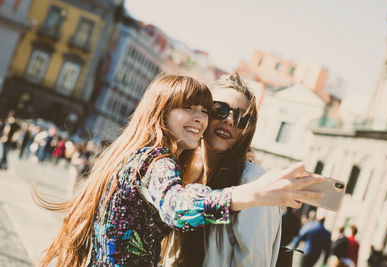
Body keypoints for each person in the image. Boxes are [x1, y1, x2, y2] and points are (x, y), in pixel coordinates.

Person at [37, 74, 323, 267]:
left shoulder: (142, 155)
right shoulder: (155, 161)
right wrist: (250, 194)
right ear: (162, 111)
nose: (202, 118)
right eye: (218, 109)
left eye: (243, 117)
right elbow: (177, 206)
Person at [166, 73, 320, 267]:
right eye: (219, 109)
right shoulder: (180, 171)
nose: (230, 120)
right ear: (202, 113)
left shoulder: (255, 183)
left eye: (242, 118)